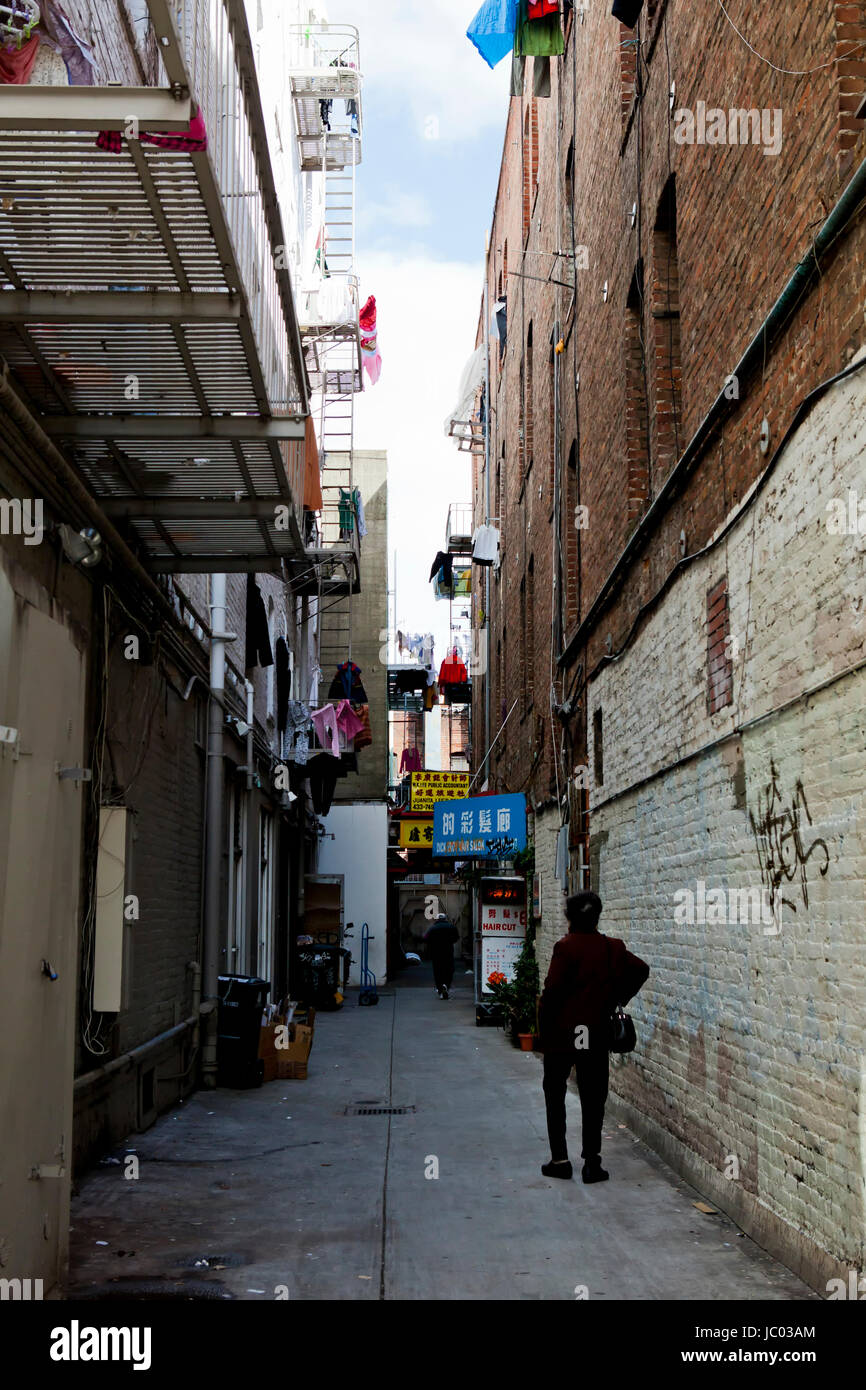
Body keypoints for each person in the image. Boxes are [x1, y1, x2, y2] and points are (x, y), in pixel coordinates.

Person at [537, 892, 649, 1184]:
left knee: (555, 1092)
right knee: (593, 1096)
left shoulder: (565, 947)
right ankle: (591, 1163)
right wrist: (616, 998)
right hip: (595, 1032)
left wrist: (543, 1031)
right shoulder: (612, 947)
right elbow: (641, 970)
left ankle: (560, 1160)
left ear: (569, 917)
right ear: (597, 916)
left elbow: (552, 992)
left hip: (563, 1034)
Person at [423, 911, 460, 999]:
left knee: (438, 971)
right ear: (445, 919)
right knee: (449, 970)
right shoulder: (452, 927)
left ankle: (440, 990)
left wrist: (433, 943)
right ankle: (446, 985)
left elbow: (425, 938)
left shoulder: (433, 928)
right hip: (448, 952)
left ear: (437, 919)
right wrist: (449, 941)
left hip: (436, 953)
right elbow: (456, 938)